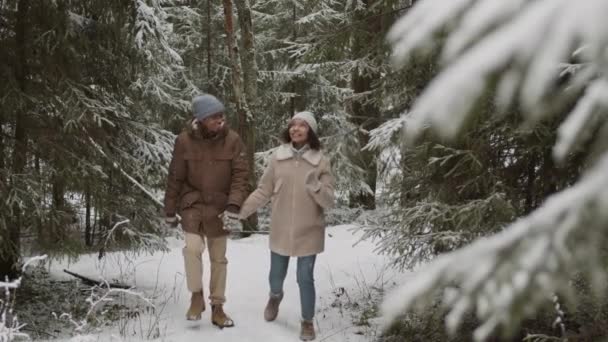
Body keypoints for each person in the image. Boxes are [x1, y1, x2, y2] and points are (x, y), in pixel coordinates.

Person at [238, 111, 335, 341]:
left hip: (309, 230)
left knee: (305, 278)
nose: (296, 129)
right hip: (281, 228)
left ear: (310, 131)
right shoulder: (277, 158)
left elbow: (329, 201)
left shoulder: (321, 161)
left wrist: (315, 187)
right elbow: (263, 191)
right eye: (293, 125)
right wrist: (241, 212)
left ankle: (307, 322)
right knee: (276, 276)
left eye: (302, 125)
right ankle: (275, 296)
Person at [163, 94, 248, 328]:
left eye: (221, 115)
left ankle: (218, 306)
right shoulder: (183, 141)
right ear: (200, 119)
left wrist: (233, 205)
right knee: (192, 249)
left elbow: (241, 176)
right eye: (214, 116)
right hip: (192, 204)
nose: (220, 120)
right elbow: (176, 176)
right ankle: (196, 295)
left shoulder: (233, 140)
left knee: (218, 258)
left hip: (220, 207)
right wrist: (170, 208)